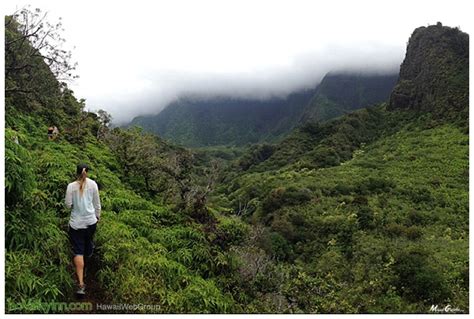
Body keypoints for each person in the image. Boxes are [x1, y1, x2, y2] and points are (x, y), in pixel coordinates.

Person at [65, 163, 101, 296]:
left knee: (78, 251)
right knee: (88, 242)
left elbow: (68, 205)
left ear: (76, 172)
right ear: (87, 172)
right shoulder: (93, 185)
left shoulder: (71, 186)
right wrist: (97, 216)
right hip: (91, 221)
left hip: (76, 224)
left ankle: (80, 285)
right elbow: (97, 204)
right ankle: (89, 255)